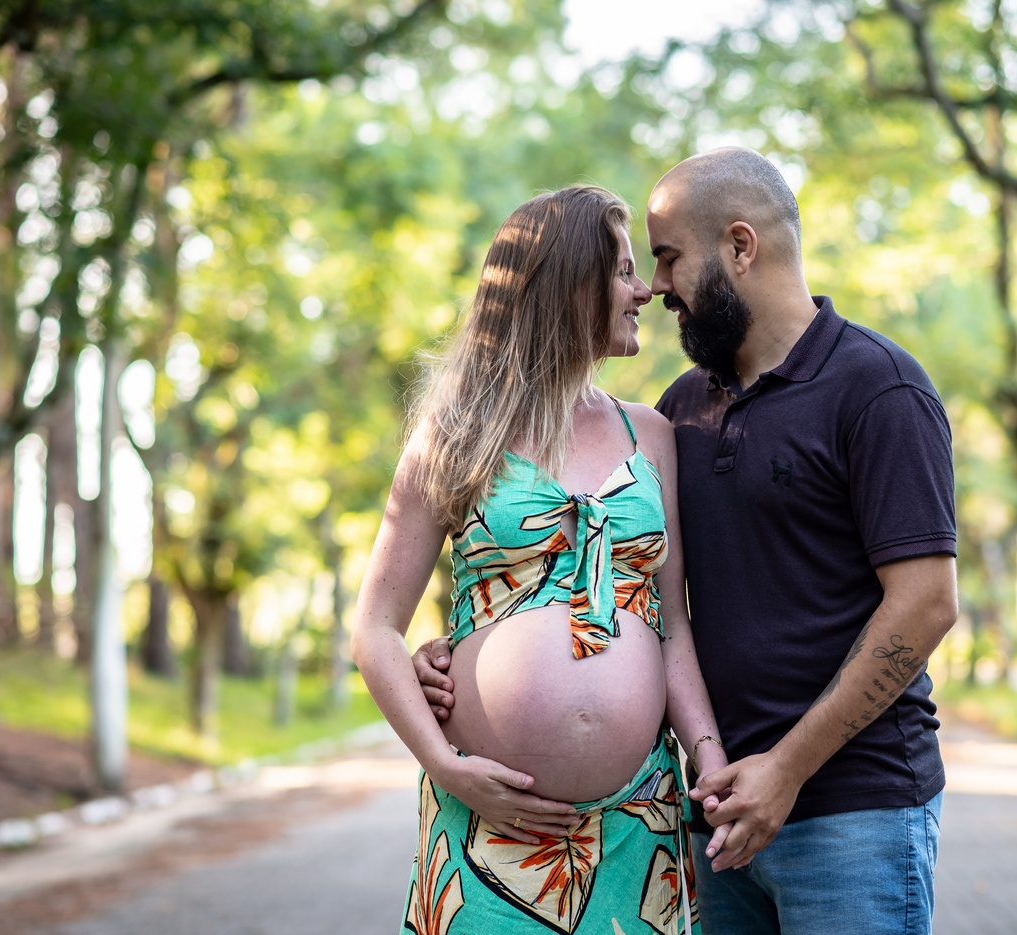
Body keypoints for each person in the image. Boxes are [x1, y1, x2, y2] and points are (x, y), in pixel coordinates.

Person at [417, 147, 959, 935]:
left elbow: (927, 604)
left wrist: (786, 768)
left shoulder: (877, 387)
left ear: (740, 246)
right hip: (710, 813)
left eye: (668, 257)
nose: (655, 285)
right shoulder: (679, 413)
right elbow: (638, 596)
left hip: (848, 811)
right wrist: (469, 649)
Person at [352, 184, 729, 935]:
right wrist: (446, 765)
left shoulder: (651, 435)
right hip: (490, 825)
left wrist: (709, 758)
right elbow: (375, 629)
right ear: (569, 285)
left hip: (636, 822)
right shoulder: (457, 434)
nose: (646, 292)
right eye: (623, 272)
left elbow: (671, 626)